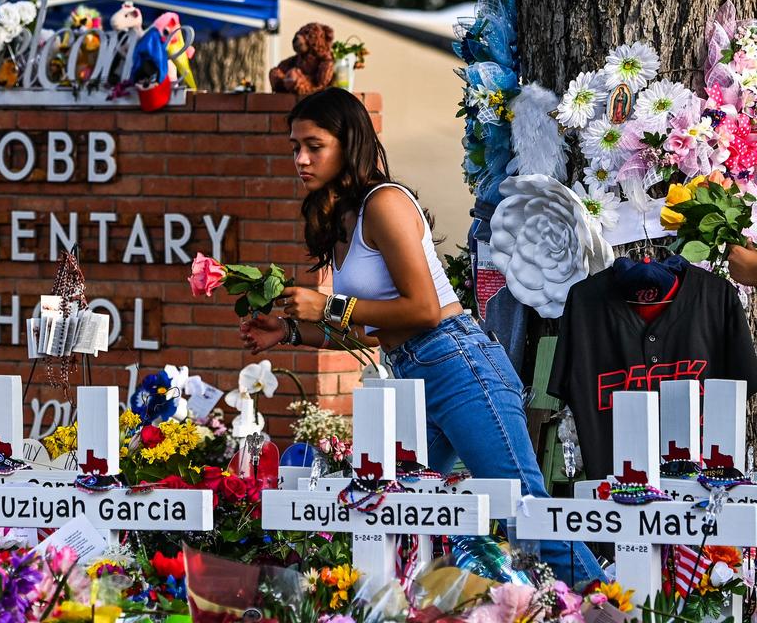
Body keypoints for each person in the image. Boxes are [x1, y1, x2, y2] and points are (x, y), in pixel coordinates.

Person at [238, 87, 604, 586]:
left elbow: (425, 310)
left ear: (348, 143)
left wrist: (327, 305)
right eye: (294, 147)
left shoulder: (384, 203)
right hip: (412, 374)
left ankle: (612, 609)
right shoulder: (342, 221)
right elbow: (374, 328)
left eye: (313, 145)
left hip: (457, 365)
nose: (300, 158)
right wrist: (292, 332)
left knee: (524, 514)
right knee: (389, 509)